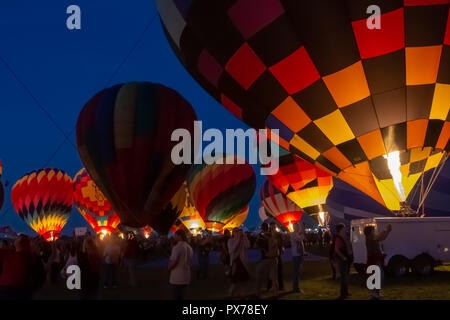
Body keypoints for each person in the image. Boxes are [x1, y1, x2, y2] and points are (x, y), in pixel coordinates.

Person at [0, 235, 36, 299]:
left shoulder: (27, 257)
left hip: (18, 290)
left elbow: (20, 262)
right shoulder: (9, 252)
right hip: (5, 288)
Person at [364, 224, 392, 300]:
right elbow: (379, 236)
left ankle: (376, 293)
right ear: (370, 232)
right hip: (373, 260)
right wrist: (385, 229)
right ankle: (375, 294)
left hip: (376, 259)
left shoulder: (372, 237)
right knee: (378, 276)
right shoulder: (370, 238)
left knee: (378, 276)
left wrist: (388, 232)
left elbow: (382, 238)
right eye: (373, 230)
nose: (374, 231)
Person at [255, 223, 279, 299]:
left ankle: (257, 292)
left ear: (262, 228)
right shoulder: (273, 236)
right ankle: (275, 294)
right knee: (274, 278)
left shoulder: (261, 237)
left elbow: (255, 245)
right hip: (273, 258)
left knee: (259, 276)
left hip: (265, 259)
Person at [168, 229, 193, 300]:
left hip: (177, 277)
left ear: (180, 236)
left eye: (175, 235)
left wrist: (169, 267)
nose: (174, 237)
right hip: (186, 275)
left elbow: (174, 261)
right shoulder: (189, 247)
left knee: (177, 296)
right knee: (182, 296)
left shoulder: (177, 247)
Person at [332, 224, 353, 299]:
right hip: (342, 260)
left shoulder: (344, 237)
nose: (345, 229)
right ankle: (343, 293)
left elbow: (348, 247)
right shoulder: (338, 238)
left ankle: (346, 292)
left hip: (346, 259)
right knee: (344, 277)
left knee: (346, 276)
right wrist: (343, 257)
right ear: (340, 229)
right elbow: (336, 250)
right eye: (344, 228)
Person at [227, 228, 250, 298]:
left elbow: (248, 246)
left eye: (238, 232)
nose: (237, 233)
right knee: (234, 282)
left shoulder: (242, 240)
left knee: (243, 282)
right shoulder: (230, 241)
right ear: (233, 233)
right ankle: (230, 295)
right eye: (236, 232)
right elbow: (231, 250)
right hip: (234, 263)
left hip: (242, 263)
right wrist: (238, 240)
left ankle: (242, 295)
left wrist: (245, 237)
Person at [290, 222, 305, 293]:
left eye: (298, 226)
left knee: (297, 272)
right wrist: (303, 233)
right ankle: (296, 288)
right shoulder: (294, 234)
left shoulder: (296, 234)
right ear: (294, 227)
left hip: (298, 255)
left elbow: (301, 242)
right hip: (296, 256)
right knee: (296, 272)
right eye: (297, 226)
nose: (298, 227)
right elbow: (300, 239)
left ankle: (296, 287)